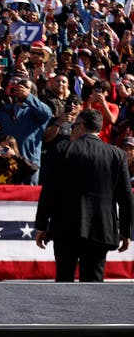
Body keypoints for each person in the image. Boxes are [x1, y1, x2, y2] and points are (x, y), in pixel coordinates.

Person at [35, 109, 133, 282]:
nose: (73, 129)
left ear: (81, 126)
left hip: (65, 227)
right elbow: (125, 197)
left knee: (64, 282)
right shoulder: (117, 155)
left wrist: (42, 225)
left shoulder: (63, 150)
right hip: (100, 227)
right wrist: (126, 231)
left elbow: (49, 190)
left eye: (74, 125)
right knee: (94, 285)